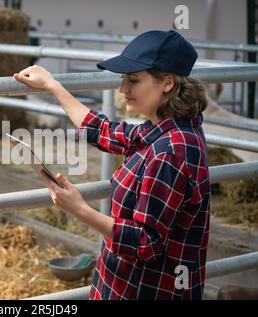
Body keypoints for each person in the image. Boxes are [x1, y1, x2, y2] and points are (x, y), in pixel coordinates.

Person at [13, 30, 210, 300]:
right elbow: (102, 130)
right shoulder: (159, 132)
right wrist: (52, 86)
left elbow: (146, 242)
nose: (122, 89)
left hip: (145, 289)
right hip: (128, 283)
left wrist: (80, 209)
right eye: (123, 79)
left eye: (134, 80)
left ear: (166, 83)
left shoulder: (170, 152)